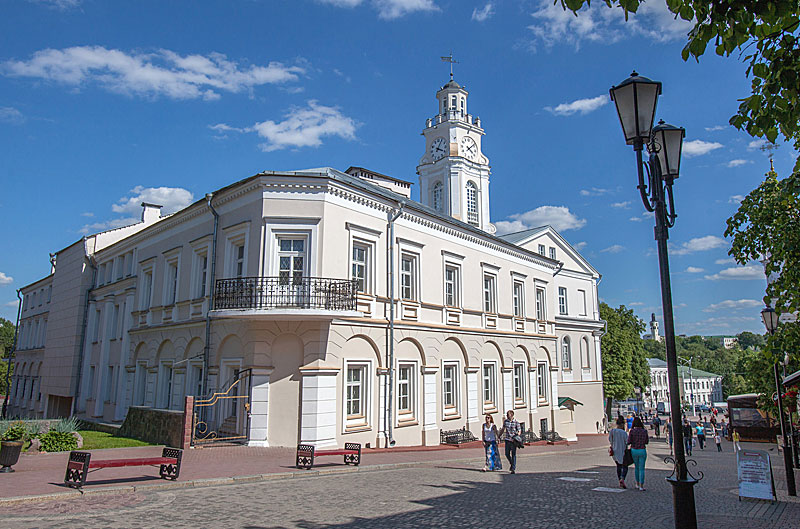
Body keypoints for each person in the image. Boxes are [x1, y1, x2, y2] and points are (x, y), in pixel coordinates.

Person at [628, 416, 649, 491]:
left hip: (634, 450)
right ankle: (641, 485)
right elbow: (646, 442)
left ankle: (637, 483)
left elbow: (629, 441)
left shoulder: (632, 431)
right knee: (642, 468)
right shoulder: (644, 431)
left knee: (636, 467)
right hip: (642, 450)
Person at [609, 416, 629, 488]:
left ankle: (619, 479)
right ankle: (622, 478)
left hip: (615, 450)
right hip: (623, 450)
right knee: (625, 466)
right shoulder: (624, 433)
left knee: (618, 466)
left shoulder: (612, 431)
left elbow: (610, 440)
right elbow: (627, 442)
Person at [498, 410, 521, 474]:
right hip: (507, 440)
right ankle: (512, 463)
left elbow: (519, 431)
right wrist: (499, 436)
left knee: (513, 454)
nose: (507, 416)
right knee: (507, 454)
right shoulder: (506, 422)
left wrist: (517, 437)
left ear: (512, 415)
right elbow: (503, 429)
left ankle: (513, 468)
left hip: (513, 441)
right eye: (507, 415)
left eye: (508, 415)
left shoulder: (516, 423)